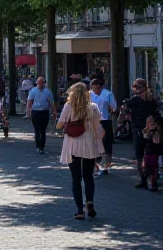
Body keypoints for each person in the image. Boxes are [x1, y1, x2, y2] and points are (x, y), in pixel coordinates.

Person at [55, 82, 104, 219]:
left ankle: (79, 210)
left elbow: (59, 124)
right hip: (88, 144)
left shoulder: (69, 106)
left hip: (73, 144)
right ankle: (90, 201)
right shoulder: (92, 107)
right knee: (88, 176)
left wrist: (61, 124)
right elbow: (97, 127)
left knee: (76, 178)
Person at [126, 78, 159, 189]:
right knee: (152, 154)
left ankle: (143, 180)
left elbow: (126, 109)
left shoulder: (135, 99)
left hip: (139, 129)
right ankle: (153, 180)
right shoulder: (152, 98)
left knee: (140, 156)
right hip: (151, 129)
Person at [89, 78, 117, 176]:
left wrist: (110, 111)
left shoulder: (108, 94)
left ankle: (105, 166)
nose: (94, 89)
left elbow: (114, 107)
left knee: (106, 145)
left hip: (104, 121)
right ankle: (97, 165)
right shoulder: (89, 94)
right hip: (94, 121)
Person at [26, 77, 57, 154]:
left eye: (41, 83)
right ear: (36, 83)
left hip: (44, 112)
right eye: (38, 83)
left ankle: (42, 147)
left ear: (44, 83)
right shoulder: (33, 91)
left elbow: (51, 102)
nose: (40, 85)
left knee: (43, 130)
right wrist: (28, 112)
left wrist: (54, 111)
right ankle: (37, 144)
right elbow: (29, 102)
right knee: (37, 129)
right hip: (35, 111)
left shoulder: (47, 92)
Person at [142, 114, 162, 192]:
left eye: (152, 122)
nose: (151, 123)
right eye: (149, 122)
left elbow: (156, 141)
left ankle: (153, 183)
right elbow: (145, 136)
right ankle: (151, 182)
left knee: (154, 167)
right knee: (149, 168)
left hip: (154, 152)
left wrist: (154, 131)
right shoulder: (146, 130)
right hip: (148, 151)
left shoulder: (157, 131)